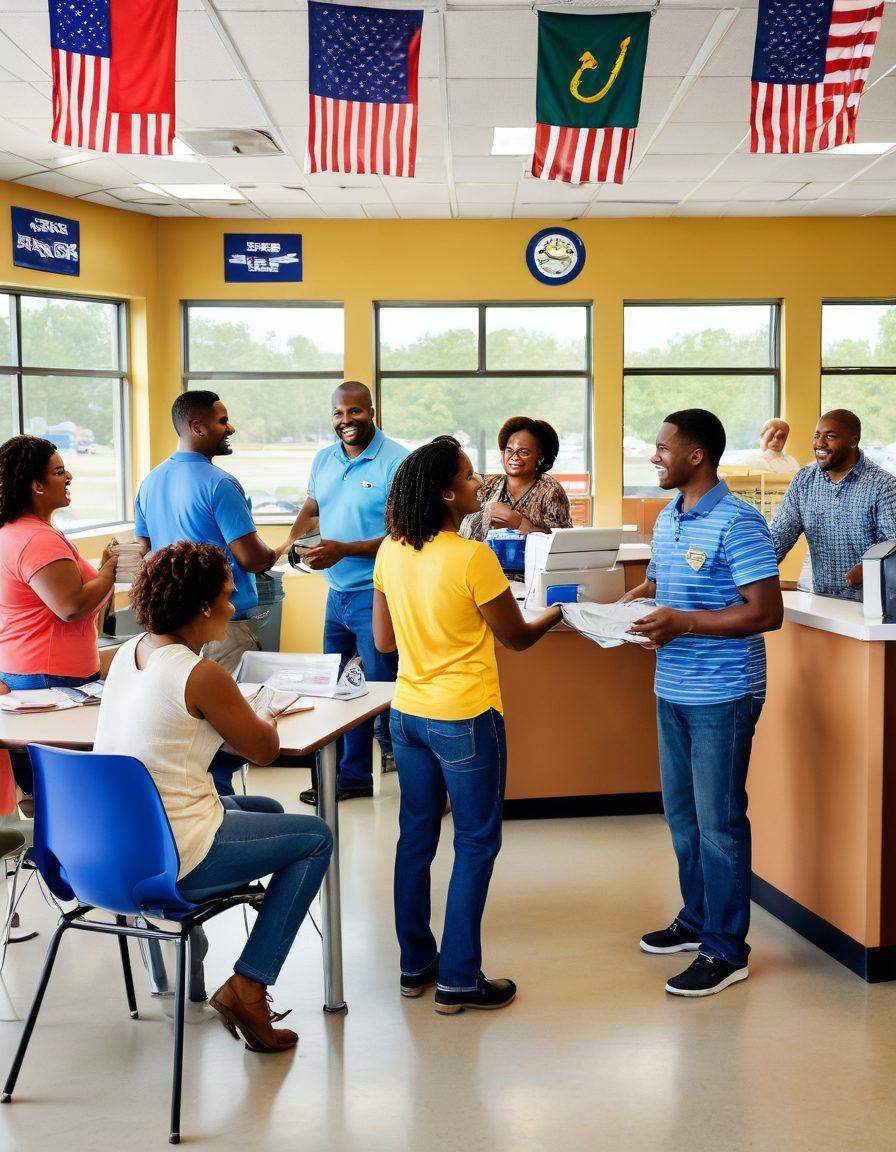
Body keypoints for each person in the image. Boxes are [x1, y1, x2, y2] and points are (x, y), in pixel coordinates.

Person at [94, 541, 333, 1053]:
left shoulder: (126, 656)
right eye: (227, 595)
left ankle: (238, 935)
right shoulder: (200, 673)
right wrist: (263, 712)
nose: (234, 604)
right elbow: (264, 749)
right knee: (314, 837)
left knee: (267, 811)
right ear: (203, 606)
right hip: (173, 853)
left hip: (113, 847)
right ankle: (248, 986)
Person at [372, 436, 561, 1014]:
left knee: (416, 839)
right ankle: (458, 979)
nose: (481, 480)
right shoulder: (471, 557)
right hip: (465, 716)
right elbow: (518, 638)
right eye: (469, 473)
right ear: (448, 494)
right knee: (475, 845)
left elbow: (383, 641)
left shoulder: (390, 551)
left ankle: (414, 966)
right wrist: (560, 610)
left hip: (408, 715)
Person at [624, 409, 783, 998]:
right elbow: (668, 585)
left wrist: (683, 621)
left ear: (695, 456)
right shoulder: (670, 517)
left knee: (720, 823)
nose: (655, 456)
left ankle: (726, 948)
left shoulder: (739, 523)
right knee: (684, 817)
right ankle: (696, 919)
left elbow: (767, 612)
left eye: (663, 448)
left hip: (725, 692)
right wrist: (640, 600)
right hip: (673, 688)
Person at [279, 381, 408, 805]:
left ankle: (407, 778)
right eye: (338, 413)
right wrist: (291, 545)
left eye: (355, 412)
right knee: (337, 688)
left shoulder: (397, 461)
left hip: (378, 593)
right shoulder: (323, 459)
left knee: (378, 689)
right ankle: (348, 777)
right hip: (336, 595)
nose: (346, 421)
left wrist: (343, 550)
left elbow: (402, 535)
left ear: (372, 412)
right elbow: (312, 509)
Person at [0, 435, 117, 794]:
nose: (70, 478)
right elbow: (70, 607)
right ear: (36, 484)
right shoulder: (37, 540)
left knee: (47, 792)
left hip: (35, 672)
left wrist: (103, 569)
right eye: (59, 472)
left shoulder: (19, 532)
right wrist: (111, 571)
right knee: (65, 792)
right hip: (49, 680)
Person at [135, 390, 277, 676]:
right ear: (197, 427)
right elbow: (253, 559)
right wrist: (283, 547)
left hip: (174, 633)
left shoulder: (149, 483)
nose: (231, 428)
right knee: (238, 712)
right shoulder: (221, 484)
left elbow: (144, 553)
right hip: (220, 630)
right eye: (223, 421)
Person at [770, 409, 896, 601]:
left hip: (873, 605)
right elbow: (779, 537)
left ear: (853, 441)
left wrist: (869, 568)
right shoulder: (804, 480)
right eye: (817, 435)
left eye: (830, 436)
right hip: (820, 600)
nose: (820, 443)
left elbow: (892, 548)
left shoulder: (883, 486)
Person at [460, 416, 573, 541]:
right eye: (509, 450)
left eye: (523, 452)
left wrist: (519, 523)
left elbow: (562, 542)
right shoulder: (489, 484)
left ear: (541, 457)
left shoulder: (550, 491)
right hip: (481, 558)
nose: (514, 457)